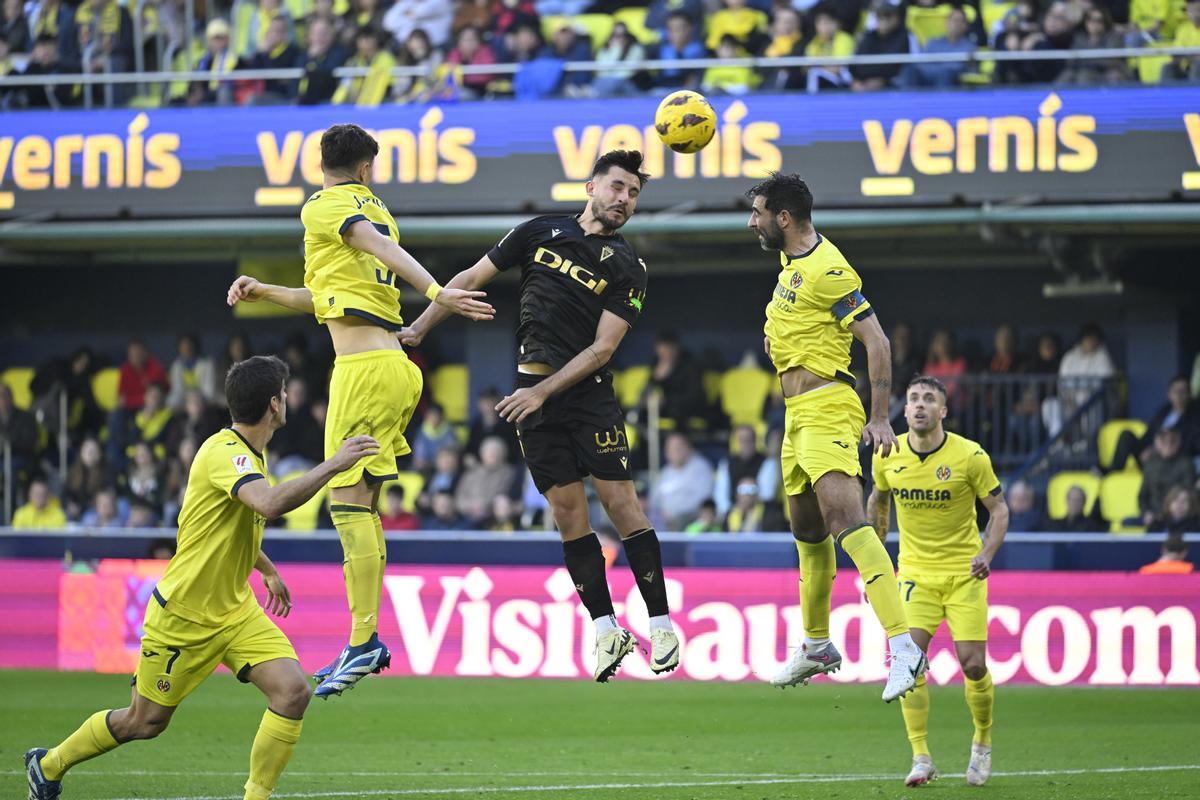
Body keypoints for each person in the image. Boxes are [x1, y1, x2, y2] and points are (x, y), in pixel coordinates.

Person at [24, 355, 380, 800]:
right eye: (284, 393)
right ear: (274, 404)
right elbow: (267, 505)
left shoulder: (251, 452)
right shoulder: (223, 453)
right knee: (145, 722)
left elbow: (226, 528)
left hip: (235, 610)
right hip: (184, 617)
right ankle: (49, 763)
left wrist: (266, 569)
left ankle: (256, 796)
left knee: (292, 692)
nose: (287, 399)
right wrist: (334, 464)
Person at [226, 124, 493, 698]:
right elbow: (329, 298)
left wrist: (435, 290)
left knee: (347, 505)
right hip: (392, 364)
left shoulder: (325, 206)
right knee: (362, 504)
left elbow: (378, 246)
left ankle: (364, 637)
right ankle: (363, 638)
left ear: (322, 163)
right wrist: (267, 292)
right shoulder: (374, 209)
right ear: (368, 167)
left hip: (365, 371)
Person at [401, 150, 682, 681]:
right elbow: (471, 274)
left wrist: (544, 392)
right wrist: (420, 328)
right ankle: (606, 632)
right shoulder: (538, 231)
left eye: (634, 194)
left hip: (585, 396)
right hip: (533, 398)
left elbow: (603, 349)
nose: (625, 200)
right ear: (591, 186)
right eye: (618, 187)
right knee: (568, 518)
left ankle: (661, 622)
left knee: (621, 504)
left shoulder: (629, 267)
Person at [746, 171, 926, 701]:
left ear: (783, 218)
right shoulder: (791, 261)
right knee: (807, 532)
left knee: (846, 520)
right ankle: (817, 644)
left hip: (829, 405)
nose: (751, 222)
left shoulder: (829, 269)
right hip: (795, 414)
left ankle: (905, 647)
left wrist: (879, 416)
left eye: (758, 212)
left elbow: (877, 341)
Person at [867, 375, 1008, 787]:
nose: (920, 405)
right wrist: (875, 566)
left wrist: (986, 553)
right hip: (914, 575)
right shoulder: (887, 453)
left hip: (965, 573)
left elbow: (998, 511)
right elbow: (878, 502)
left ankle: (981, 743)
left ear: (943, 410)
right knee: (908, 663)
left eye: (929, 399)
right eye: (913, 399)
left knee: (974, 664)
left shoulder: (969, 456)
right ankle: (921, 756)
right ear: (905, 409)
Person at [650, 432, 715, 529]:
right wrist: (662, 513)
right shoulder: (665, 472)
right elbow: (654, 499)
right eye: (670, 449)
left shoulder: (701, 468)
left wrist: (674, 512)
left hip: (689, 519)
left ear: (688, 448)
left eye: (678, 448)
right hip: (664, 520)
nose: (673, 452)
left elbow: (703, 498)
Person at [900, 6, 975, 88]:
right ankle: (908, 99)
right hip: (928, 77)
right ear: (946, 22)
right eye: (952, 20)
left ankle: (941, 100)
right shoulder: (933, 43)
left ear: (965, 26)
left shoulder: (969, 47)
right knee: (909, 70)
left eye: (959, 21)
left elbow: (960, 68)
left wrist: (939, 69)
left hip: (951, 81)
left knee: (945, 74)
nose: (955, 24)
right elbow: (922, 64)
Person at [1140, 427, 1196, 528]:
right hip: (1154, 515)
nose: (1168, 445)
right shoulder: (1150, 464)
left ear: (1178, 443)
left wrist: (1170, 512)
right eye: (1163, 441)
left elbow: (1188, 494)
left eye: (1172, 441)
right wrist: (1146, 512)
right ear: (1157, 443)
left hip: (1178, 515)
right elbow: (1143, 495)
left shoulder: (1186, 464)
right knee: (1129, 522)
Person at [454, 436, 518, 523]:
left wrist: (483, 505)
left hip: (492, 517)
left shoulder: (509, 473)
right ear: (482, 454)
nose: (492, 455)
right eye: (489, 451)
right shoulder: (471, 473)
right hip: (467, 516)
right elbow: (459, 498)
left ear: (503, 454)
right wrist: (471, 505)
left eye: (496, 452)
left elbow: (504, 495)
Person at [166, 334, 218, 410]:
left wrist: (195, 396)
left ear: (195, 346)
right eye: (183, 346)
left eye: (189, 345)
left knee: (195, 403)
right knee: (171, 402)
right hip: (184, 399)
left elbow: (209, 391)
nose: (186, 348)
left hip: (203, 399)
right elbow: (177, 390)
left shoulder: (207, 363)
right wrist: (188, 397)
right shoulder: (176, 365)